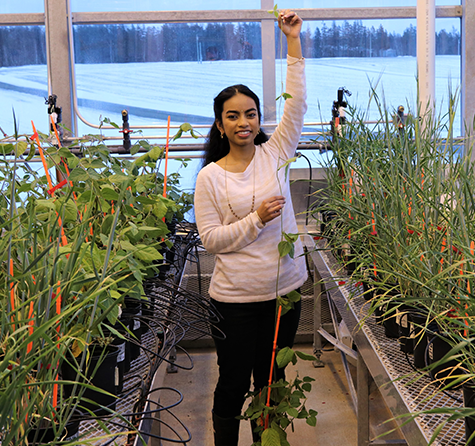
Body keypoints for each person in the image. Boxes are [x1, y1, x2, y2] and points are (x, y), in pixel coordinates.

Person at [193, 9, 307, 446]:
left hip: (285, 293)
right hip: (237, 301)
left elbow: (296, 103)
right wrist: (255, 219)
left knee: (272, 384)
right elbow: (212, 240)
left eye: (252, 114)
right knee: (233, 384)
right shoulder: (211, 177)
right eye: (234, 116)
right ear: (220, 124)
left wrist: (292, 41)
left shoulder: (275, 153)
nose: (244, 122)